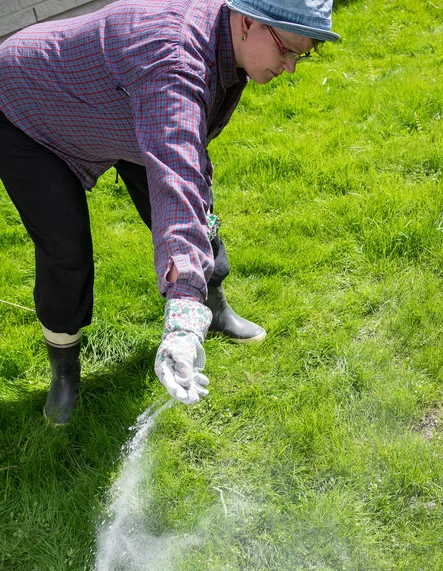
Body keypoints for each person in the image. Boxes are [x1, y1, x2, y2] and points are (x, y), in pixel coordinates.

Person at [0, 0, 339, 424]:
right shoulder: (173, 64)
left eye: (301, 55)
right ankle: (64, 373)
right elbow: (176, 184)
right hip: (27, 108)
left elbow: (190, 171)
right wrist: (181, 320)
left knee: (197, 194)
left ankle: (214, 308)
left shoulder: (228, 39)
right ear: (249, 23)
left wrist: (196, 293)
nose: (290, 66)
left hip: (116, 103)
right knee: (64, 248)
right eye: (287, 50)